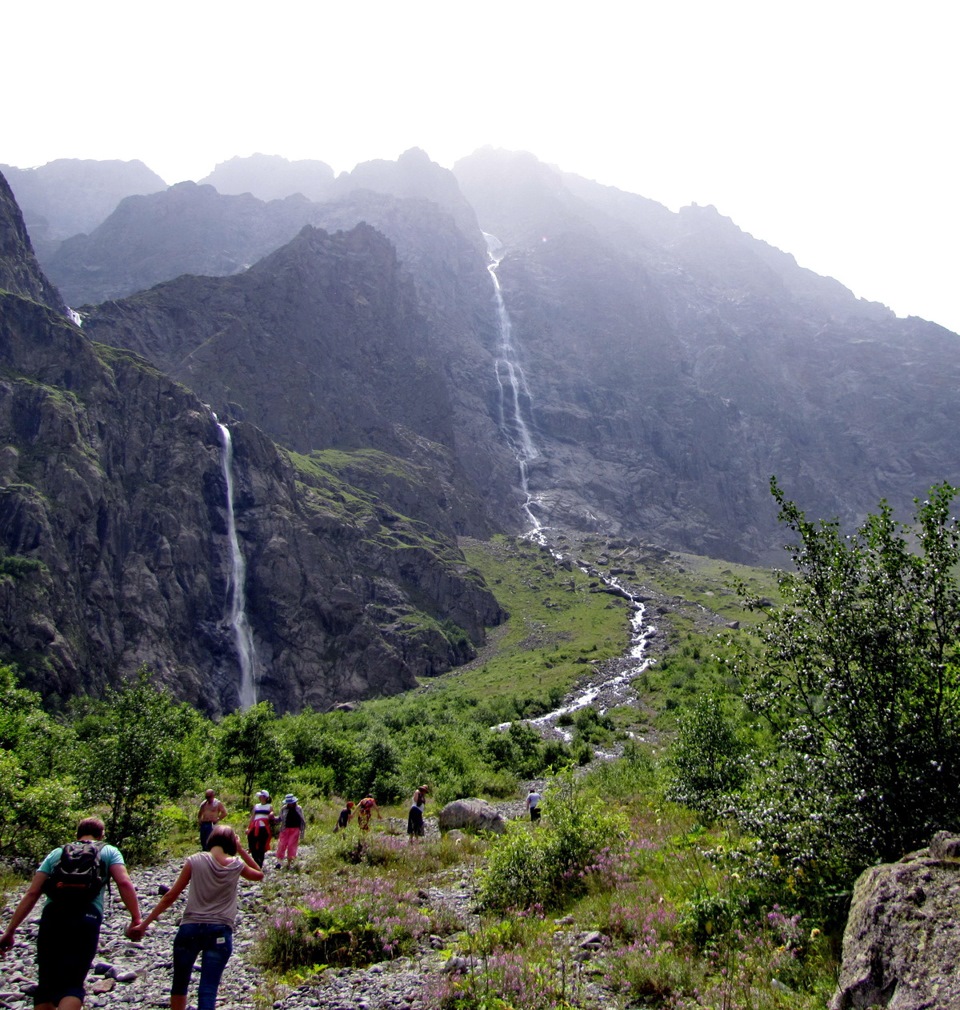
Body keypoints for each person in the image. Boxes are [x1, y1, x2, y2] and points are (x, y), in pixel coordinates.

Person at [0, 816, 141, 1010]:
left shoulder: (57, 852)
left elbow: (33, 892)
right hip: (87, 918)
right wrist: (136, 918)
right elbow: (124, 882)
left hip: (53, 916)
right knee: (73, 984)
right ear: (101, 835)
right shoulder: (109, 851)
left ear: (77, 834)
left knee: (46, 984)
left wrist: (10, 930)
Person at [126, 825, 262, 1010]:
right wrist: (240, 849)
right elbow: (259, 874)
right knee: (208, 989)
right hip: (220, 931)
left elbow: (170, 896)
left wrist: (144, 925)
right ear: (230, 842)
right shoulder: (236, 865)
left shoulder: (195, 860)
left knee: (180, 983)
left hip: (190, 928)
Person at [275, 794, 306, 868]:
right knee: (282, 844)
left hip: (295, 829)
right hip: (285, 828)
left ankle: (289, 862)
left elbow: (302, 819)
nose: (290, 804)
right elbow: (280, 818)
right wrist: (274, 819)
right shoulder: (284, 808)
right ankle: (279, 862)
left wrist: (302, 831)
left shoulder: (298, 808)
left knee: (291, 845)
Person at [245, 790, 273, 868]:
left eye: (261, 796)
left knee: (261, 846)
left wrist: (271, 815)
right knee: (252, 844)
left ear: (265, 797)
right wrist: (248, 827)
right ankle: (256, 860)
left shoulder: (269, 806)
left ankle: (259, 863)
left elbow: (271, 816)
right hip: (255, 826)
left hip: (264, 828)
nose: (260, 797)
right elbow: (253, 817)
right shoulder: (256, 806)